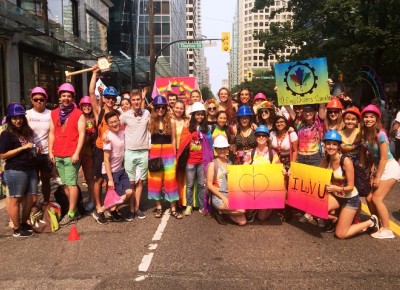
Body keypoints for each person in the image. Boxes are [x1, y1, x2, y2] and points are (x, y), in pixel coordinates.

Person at [321, 130, 380, 238]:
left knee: (340, 234)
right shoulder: (327, 159)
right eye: (328, 143)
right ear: (324, 145)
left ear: (339, 146)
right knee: (316, 208)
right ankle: (336, 219)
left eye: (334, 144)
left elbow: (350, 187)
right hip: (336, 197)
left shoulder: (346, 161)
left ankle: (371, 221)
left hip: (350, 199)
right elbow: (315, 174)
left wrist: (335, 187)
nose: (330, 146)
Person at [48, 83, 85, 227]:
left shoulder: (78, 114)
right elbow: (51, 133)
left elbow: (82, 135)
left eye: (69, 96)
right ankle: (74, 210)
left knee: (71, 184)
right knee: (65, 185)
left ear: (73, 97)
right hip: (58, 153)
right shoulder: (54, 113)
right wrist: (50, 151)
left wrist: (77, 152)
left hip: (71, 154)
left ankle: (70, 213)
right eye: (64, 95)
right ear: (60, 97)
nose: (66, 98)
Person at [361, 104, 400, 239]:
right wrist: (371, 172)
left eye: (372, 117)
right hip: (380, 167)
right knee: (369, 198)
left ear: (377, 119)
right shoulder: (365, 134)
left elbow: (383, 158)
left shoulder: (381, 134)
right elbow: (372, 157)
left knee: (377, 198)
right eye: (366, 117)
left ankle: (387, 229)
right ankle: (376, 223)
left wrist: (377, 177)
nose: (368, 119)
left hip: (390, 167)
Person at [0, 104, 37, 237]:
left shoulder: (26, 132)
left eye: (20, 117)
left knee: (32, 198)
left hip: (30, 168)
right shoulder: (7, 134)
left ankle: (24, 223)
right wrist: (21, 148)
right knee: (16, 199)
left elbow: (30, 146)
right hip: (15, 169)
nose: (18, 120)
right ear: (10, 119)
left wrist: (34, 149)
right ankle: (17, 228)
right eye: (14, 118)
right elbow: (2, 155)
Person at [89, 65, 118, 225]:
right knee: (99, 180)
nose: (110, 100)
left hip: (114, 153)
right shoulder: (99, 111)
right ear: (105, 98)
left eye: (113, 98)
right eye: (108, 97)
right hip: (100, 151)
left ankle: (110, 207)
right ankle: (99, 207)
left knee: (110, 181)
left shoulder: (118, 114)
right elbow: (92, 93)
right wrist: (94, 74)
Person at [147, 96, 182, 219]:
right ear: (154, 108)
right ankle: (159, 208)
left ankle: (173, 208)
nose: (160, 109)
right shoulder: (150, 120)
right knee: (155, 180)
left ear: (166, 108)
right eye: (158, 107)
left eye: (163, 107)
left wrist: (174, 156)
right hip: (155, 151)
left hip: (168, 152)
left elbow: (173, 139)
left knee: (171, 180)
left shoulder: (171, 121)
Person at [120, 89, 150, 221]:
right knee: (131, 182)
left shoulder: (147, 113)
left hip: (143, 152)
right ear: (130, 101)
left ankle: (137, 207)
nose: (136, 102)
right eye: (134, 100)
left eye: (138, 99)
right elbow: (114, 126)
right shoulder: (125, 115)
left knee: (140, 182)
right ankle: (131, 208)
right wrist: (105, 135)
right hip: (130, 152)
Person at [178, 102, 213, 215]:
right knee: (190, 185)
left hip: (202, 161)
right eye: (197, 114)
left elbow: (210, 143)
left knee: (201, 184)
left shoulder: (206, 128)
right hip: (190, 161)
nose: (200, 116)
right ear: (193, 115)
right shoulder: (188, 126)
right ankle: (189, 206)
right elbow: (183, 141)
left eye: (202, 114)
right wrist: (190, 136)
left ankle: (202, 206)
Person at [207, 135, 246, 226]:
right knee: (242, 210)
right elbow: (209, 184)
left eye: (224, 148)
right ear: (215, 149)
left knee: (242, 222)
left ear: (227, 148)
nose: (222, 150)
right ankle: (219, 210)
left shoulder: (229, 162)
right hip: (218, 197)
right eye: (219, 148)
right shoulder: (213, 164)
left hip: (230, 195)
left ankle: (224, 213)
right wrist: (223, 197)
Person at [243, 125, 279, 221]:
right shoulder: (251, 152)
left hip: (267, 189)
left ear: (267, 138)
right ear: (255, 137)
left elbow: (278, 170)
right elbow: (244, 169)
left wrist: (283, 171)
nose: (261, 137)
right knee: (245, 211)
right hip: (252, 187)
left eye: (264, 135)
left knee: (261, 217)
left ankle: (272, 206)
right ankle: (255, 207)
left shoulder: (273, 154)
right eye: (258, 135)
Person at [102, 111, 132, 221]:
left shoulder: (122, 133)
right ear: (108, 125)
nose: (115, 124)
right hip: (111, 172)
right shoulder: (108, 138)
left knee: (129, 192)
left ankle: (113, 210)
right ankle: (101, 210)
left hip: (121, 169)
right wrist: (110, 179)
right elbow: (106, 160)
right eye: (111, 123)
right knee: (119, 197)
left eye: (116, 121)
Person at [26, 87, 52, 203]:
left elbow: (53, 133)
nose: (38, 102)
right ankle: (33, 204)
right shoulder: (27, 114)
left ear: (45, 100)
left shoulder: (51, 114)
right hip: (31, 153)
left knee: (46, 179)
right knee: (33, 180)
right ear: (31, 100)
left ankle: (46, 202)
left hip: (46, 152)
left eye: (41, 99)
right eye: (35, 99)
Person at [78, 96, 96, 212]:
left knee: (90, 179)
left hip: (89, 152)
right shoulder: (77, 118)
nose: (87, 107)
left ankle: (92, 200)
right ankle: (75, 201)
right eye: (84, 105)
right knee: (72, 180)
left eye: (89, 105)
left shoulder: (95, 119)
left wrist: (91, 134)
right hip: (77, 152)